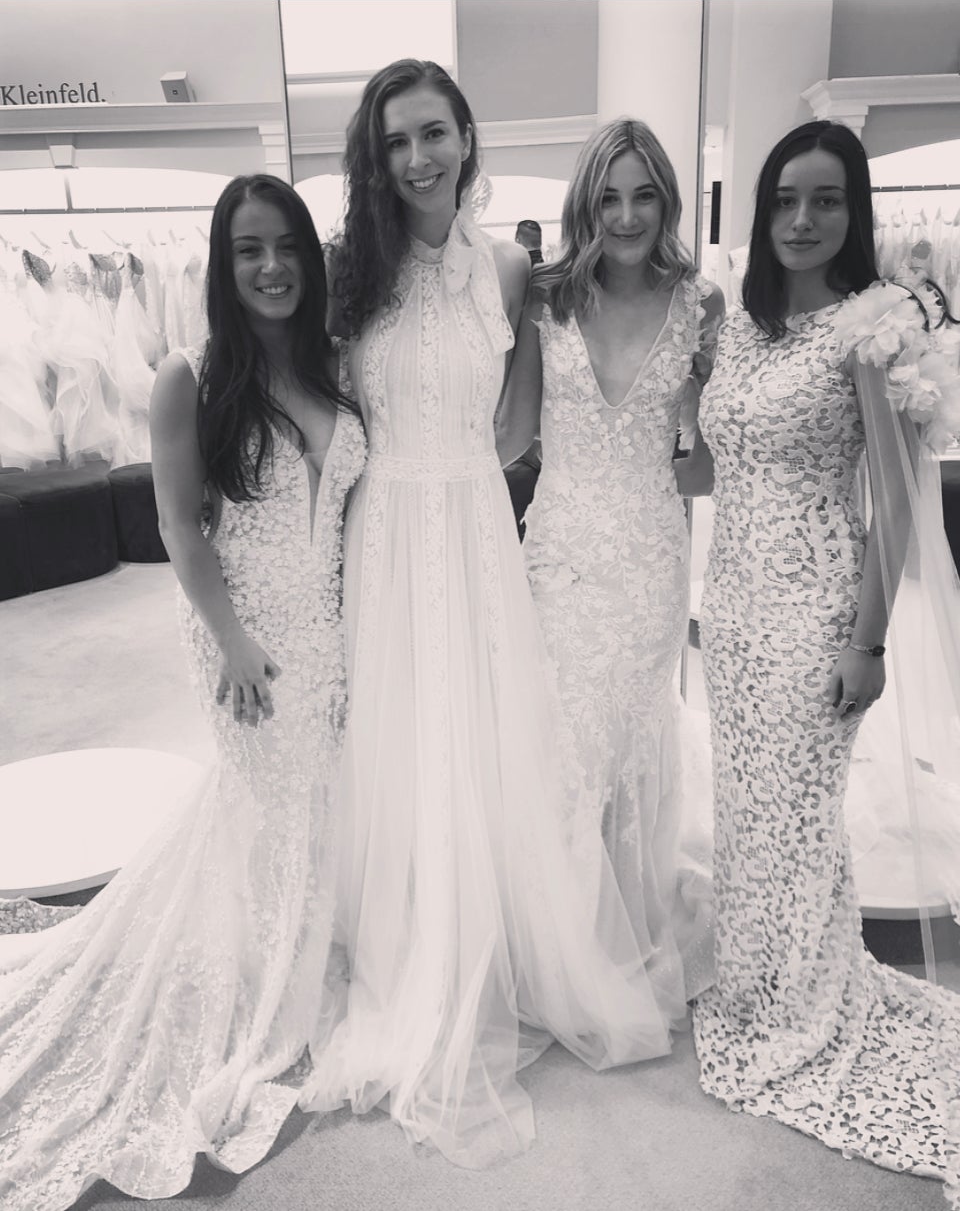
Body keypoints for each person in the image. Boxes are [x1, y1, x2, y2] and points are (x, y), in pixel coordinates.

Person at [305, 58, 677, 1169]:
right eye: (395, 141)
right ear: (375, 160)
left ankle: (501, 940)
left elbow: (523, 422)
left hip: (475, 525)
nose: (417, 157)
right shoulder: (347, 271)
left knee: (486, 739)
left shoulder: (512, 270)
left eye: (434, 132)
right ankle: (412, 942)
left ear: (466, 138)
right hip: (386, 529)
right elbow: (317, 415)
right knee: (402, 739)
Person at [0, 174, 367, 1210]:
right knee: (271, 796)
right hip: (240, 632)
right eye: (249, 249)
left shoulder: (336, 365)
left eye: (285, 246)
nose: (270, 267)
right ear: (222, 263)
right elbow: (176, 525)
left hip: (329, 623)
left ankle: (303, 947)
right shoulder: (189, 374)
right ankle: (268, 983)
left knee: (317, 798)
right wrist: (235, 642)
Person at [691, 120, 960, 1203]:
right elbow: (717, 463)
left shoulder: (871, 328)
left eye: (824, 200)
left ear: (853, 212)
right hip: (733, 606)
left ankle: (803, 1007)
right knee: (747, 814)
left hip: (815, 607)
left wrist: (867, 640)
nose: (801, 220)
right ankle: (757, 987)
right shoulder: (742, 327)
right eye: (784, 200)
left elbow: (893, 502)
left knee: (798, 820)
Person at [501, 118, 722, 1017]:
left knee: (630, 738)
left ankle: (621, 930)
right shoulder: (544, 298)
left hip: (648, 555)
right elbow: (510, 434)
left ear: (666, 203)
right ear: (585, 206)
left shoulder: (701, 304)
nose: (626, 216)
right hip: (557, 551)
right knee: (563, 739)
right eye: (609, 198)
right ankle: (556, 943)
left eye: (643, 197)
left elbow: (706, 459)